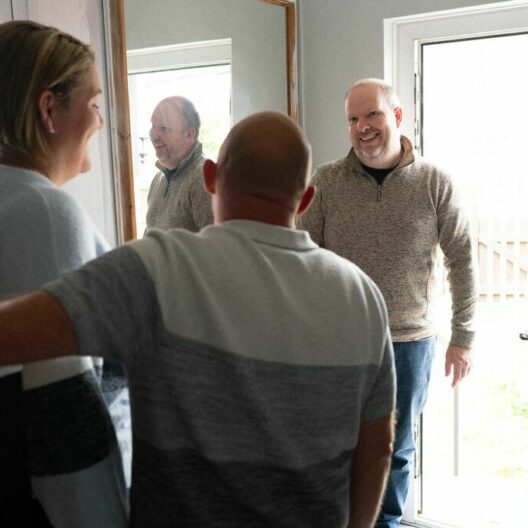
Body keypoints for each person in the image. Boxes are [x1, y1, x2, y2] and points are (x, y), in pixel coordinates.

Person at [0, 111, 396, 528]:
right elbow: (378, 449)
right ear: (306, 198)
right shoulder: (363, 297)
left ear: (209, 177)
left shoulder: (154, 270)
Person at [299, 78, 478, 528]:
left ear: (397, 116)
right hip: (342, 344)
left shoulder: (435, 183)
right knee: (338, 447)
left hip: (409, 343)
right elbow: (301, 259)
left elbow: (462, 259)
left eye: (372, 115)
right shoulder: (326, 182)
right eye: (353, 119)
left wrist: (463, 337)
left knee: (395, 450)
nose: (362, 128)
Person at [0, 20, 128, 527]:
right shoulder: (43, 213)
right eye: (93, 103)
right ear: (49, 109)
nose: (100, 121)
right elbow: (64, 419)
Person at [145, 95, 213, 231]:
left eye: (164, 128)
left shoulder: (204, 179)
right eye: (153, 126)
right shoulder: (158, 179)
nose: (153, 135)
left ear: (189, 134)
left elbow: (216, 247)